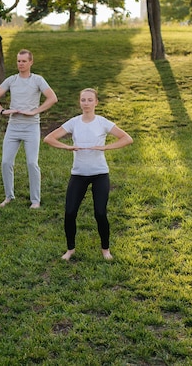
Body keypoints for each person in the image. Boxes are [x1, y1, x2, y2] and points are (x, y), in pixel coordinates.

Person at [44, 88, 133, 260]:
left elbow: (127, 139)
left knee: (100, 213)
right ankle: (70, 250)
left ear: (96, 102)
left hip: (99, 173)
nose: (86, 103)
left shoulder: (102, 122)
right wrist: (67, 147)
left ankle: (105, 250)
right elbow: (49, 138)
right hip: (78, 174)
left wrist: (105, 147)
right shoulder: (74, 122)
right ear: (80, 102)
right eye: (83, 100)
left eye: (89, 100)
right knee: (70, 212)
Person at [0, 49, 58, 209]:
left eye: (24, 61)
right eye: (18, 61)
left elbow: (52, 98)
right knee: (6, 162)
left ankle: (35, 200)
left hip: (31, 127)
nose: (20, 64)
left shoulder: (38, 80)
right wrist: (3, 111)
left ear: (30, 62)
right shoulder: (12, 80)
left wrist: (35, 111)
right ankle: (9, 196)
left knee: (32, 163)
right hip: (13, 127)